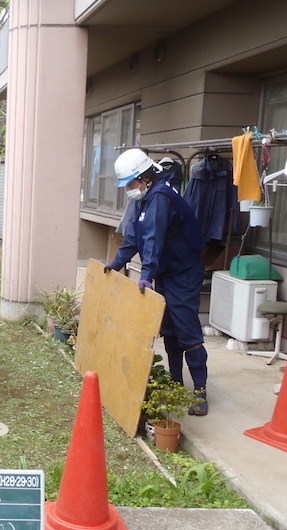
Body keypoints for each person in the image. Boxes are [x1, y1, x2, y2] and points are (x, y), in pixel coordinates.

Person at [104, 148, 210, 416]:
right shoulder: (144, 198)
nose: (128, 189)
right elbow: (134, 236)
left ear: (144, 178)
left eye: (130, 183)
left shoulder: (161, 196)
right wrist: (117, 262)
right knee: (170, 330)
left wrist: (147, 275)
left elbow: (154, 238)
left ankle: (200, 392)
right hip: (166, 272)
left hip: (183, 273)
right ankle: (176, 383)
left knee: (187, 330)